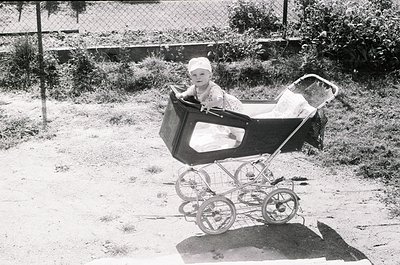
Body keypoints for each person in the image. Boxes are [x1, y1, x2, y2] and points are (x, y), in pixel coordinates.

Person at [176, 57, 243, 114]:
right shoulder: (195, 87)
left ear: (210, 76)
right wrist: (182, 95)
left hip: (228, 107)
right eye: (194, 75)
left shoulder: (213, 88)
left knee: (222, 126)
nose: (198, 77)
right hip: (214, 110)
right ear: (191, 77)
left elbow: (219, 99)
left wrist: (211, 104)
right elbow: (188, 93)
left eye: (202, 74)